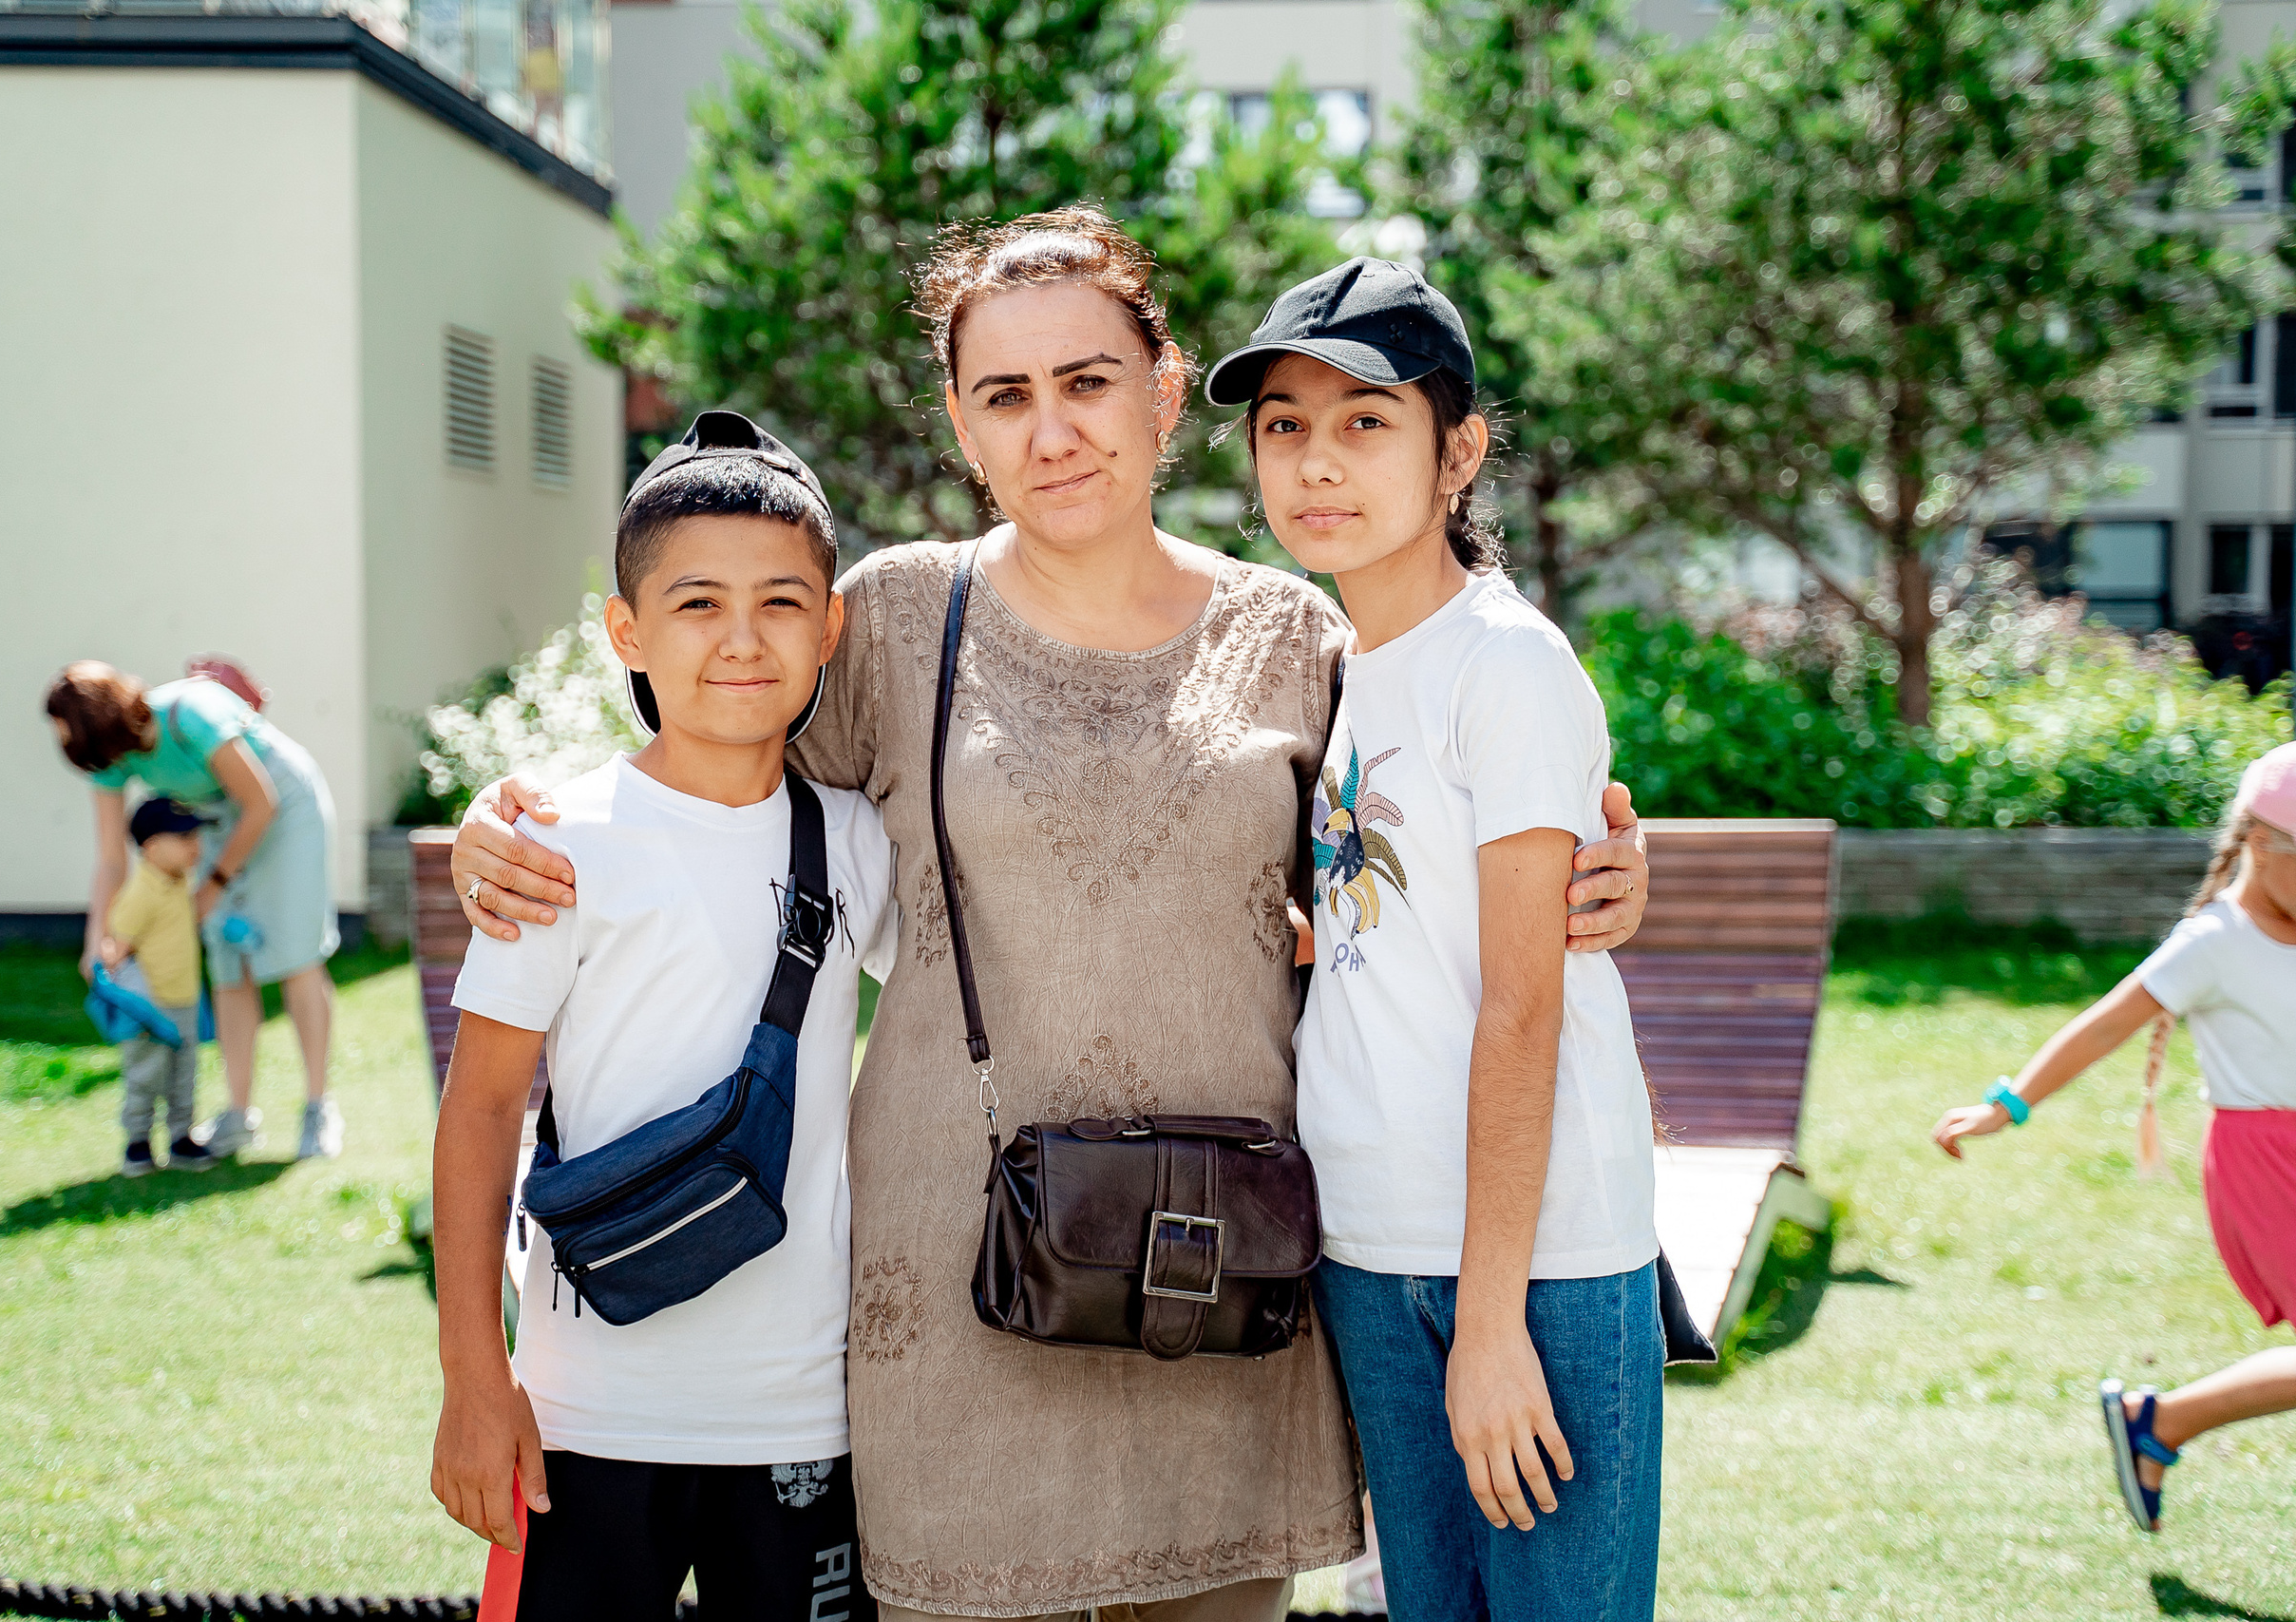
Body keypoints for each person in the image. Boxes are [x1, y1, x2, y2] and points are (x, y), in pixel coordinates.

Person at [448, 208, 1655, 1622]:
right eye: (1005, 396)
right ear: (962, 426)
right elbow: (715, 707)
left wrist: (1618, 867)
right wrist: (515, 807)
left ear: (1161, 391)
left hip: (1221, 1292)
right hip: (958, 1301)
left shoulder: (1303, 634)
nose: (1054, 429)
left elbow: (1443, 823)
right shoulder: (894, 619)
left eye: (1088, 381)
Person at [1214, 258, 1663, 1621]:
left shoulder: (1505, 664)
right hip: (1370, 1242)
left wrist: (1488, 1321)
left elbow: (1522, 1011)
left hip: (1535, 1269)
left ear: (1458, 450)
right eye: (1284, 424)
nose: (1316, 462)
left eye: (1365, 421)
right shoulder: (1345, 666)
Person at [429, 412, 890, 1619]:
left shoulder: (859, 839)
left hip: (805, 1415)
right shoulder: (556, 842)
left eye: (783, 603)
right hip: (584, 1419)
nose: (742, 640)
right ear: (625, 632)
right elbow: (479, 1110)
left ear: (830, 624)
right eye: (696, 605)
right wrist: (476, 1379)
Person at [1932, 740, 2296, 1534]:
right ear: (2264, 847)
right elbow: (2104, 1028)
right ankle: (2160, 1422)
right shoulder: (2215, 943)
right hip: (2268, 1166)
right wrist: (2008, 1105)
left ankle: (2159, 1422)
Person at [47, 659, 345, 1160]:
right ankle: (239, 1116)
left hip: (283, 806)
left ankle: (318, 1109)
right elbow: (112, 861)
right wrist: (98, 937)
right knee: (228, 966)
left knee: (296, 957)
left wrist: (214, 884)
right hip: (216, 819)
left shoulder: (191, 713)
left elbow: (261, 802)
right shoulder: (112, 756)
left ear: (99, 723)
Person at [102, 795, 218, 1178]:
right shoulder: (141, 893)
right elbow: (116, 948)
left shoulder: (179, 881)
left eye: (196, 837)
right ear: (151, 847)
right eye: (184, 838)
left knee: (185, 1073)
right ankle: (137, 1142)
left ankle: (182, 1137)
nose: (195, 846)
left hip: (184, 1000)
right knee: (146, 1075)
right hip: (151, 1010)